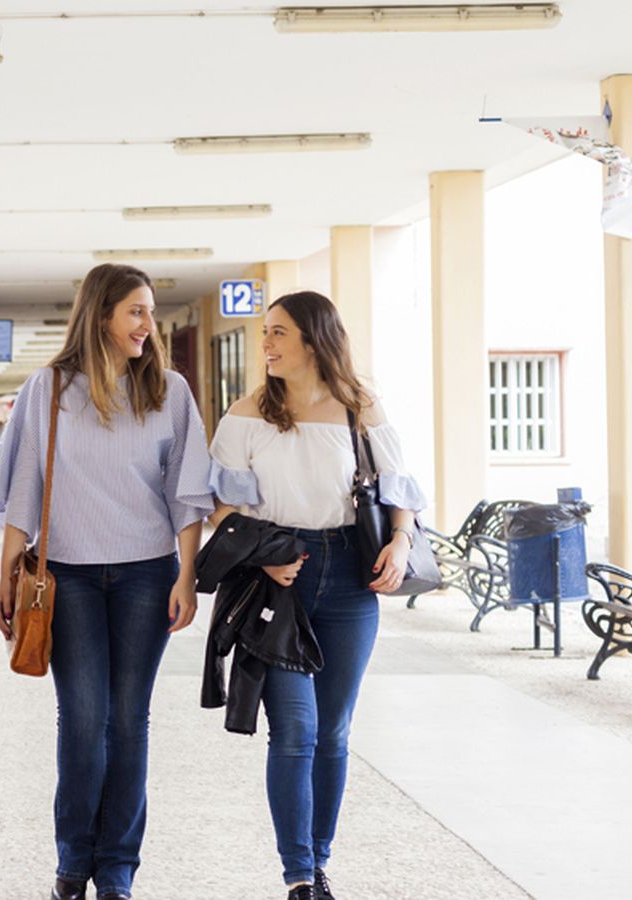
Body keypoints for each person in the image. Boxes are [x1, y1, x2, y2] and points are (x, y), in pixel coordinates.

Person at [0, 263, 216, 900]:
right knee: (84, 720)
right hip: (68, 576)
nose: (148, 325)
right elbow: (25, 484)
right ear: (101, 314)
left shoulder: (169, 391)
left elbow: (186, 493)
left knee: (129, 721)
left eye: (150, 313)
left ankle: (116, 868)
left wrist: (187, 575)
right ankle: (72, 860)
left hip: (147, 573)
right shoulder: (50, 387)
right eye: (136, 311)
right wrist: (7, 573)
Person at [207, 291, 425, 900]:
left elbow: (399, 490)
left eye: (278, 332)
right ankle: (299, 876)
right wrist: (260, 556)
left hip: (351, 578)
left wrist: (401, 542)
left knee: (332, 732)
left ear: (314, 338)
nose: (267, 344)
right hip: (280, 580)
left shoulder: (360, 408)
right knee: (295, 730)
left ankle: (319, 861)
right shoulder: (247, 413)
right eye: (265, 332)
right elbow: (221, 506)